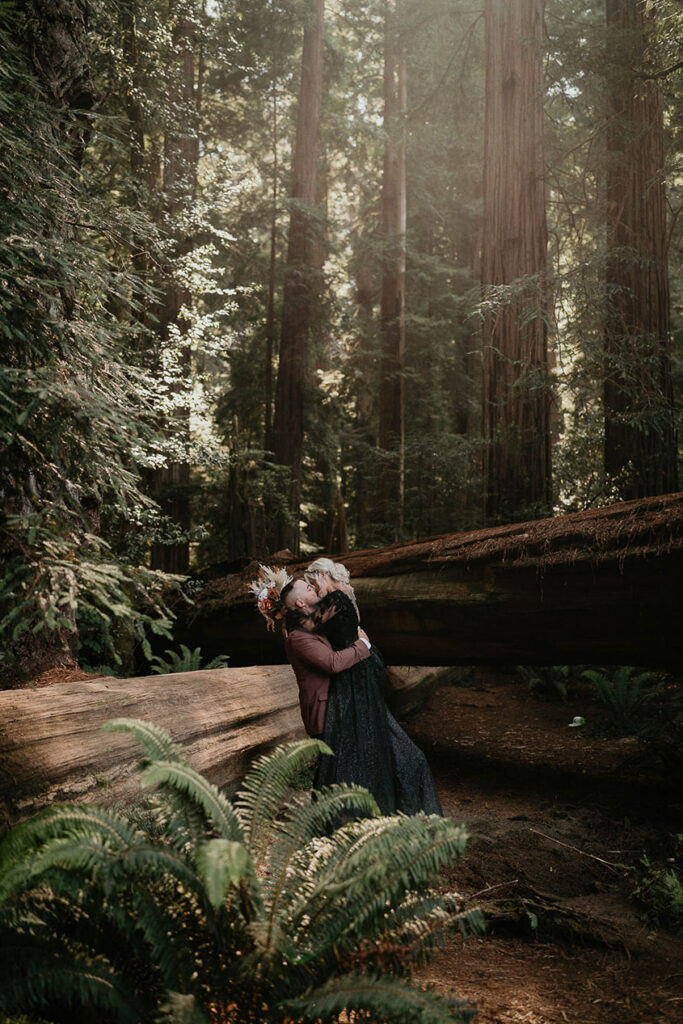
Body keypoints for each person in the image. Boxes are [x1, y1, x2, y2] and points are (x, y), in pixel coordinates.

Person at [304, 558, 443, 817]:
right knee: (366, 728)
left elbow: (311, 627)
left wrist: (283, 609)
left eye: (313, 582)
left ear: (323, 574)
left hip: (354, 672)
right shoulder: (345, 596)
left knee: (353, 731)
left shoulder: (336, 599)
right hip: (361, 666)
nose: (314, 590)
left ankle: (356, 800)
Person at [249, 565, 372, 739]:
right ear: (300, 603)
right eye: (308, 588)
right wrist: (363, 645)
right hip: (323, 713)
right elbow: (332, 663)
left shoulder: (312, 624)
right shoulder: (298, 637)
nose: (314, 588)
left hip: (338, 706)